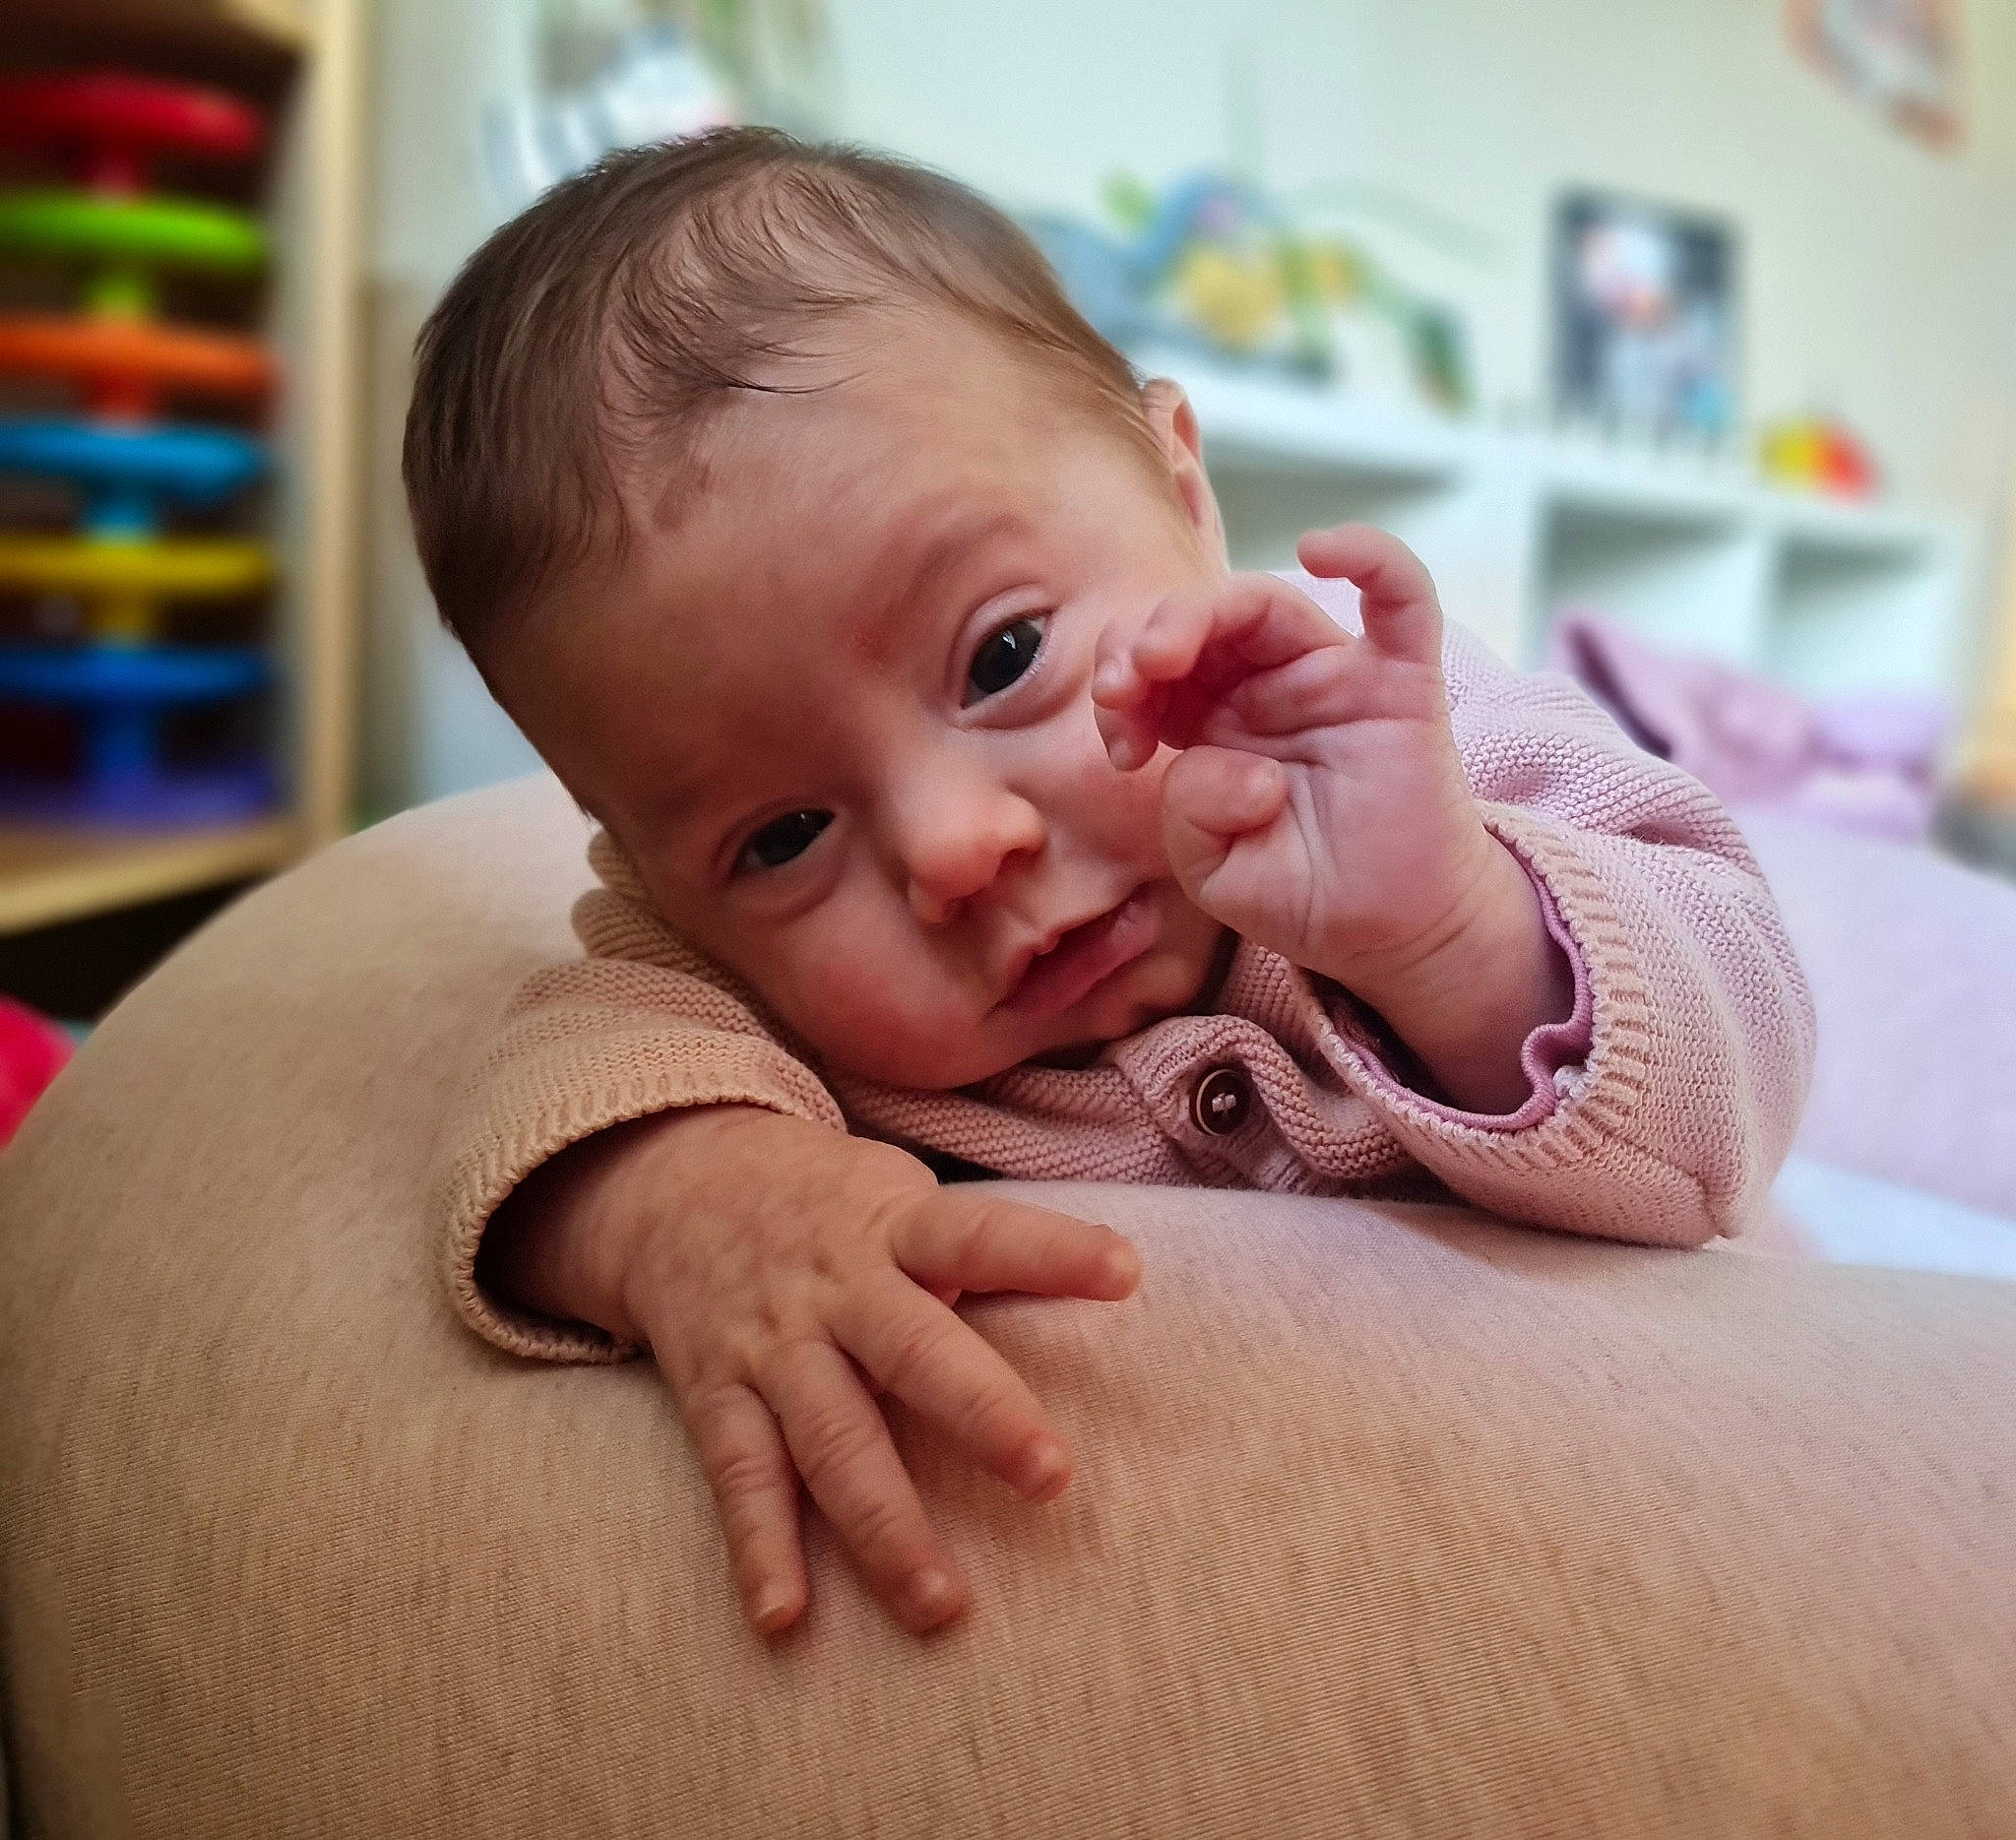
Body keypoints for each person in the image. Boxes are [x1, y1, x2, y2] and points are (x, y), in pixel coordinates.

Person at [403, 128, 1814, 1643]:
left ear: (1181, 486)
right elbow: (554, 1078)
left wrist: (1456, 930)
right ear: (651, 864)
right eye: (782, 837)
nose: (952, 847)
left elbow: (1739, 1076)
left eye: (1004, 654)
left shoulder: (1411, 742)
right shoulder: (714, 977)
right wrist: (696, 1204)